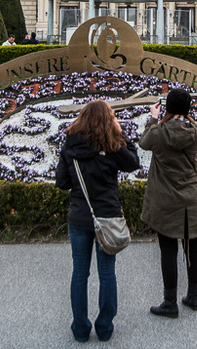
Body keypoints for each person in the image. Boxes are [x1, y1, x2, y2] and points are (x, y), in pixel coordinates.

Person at [55, 100, 141, 342]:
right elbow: (134, 162)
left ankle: (80, 329)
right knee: (107, 274)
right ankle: (104, 328)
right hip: (108, 216)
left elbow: (62, 182)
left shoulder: (70, 145)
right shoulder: (112, 145)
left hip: (80, 216)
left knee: (80, 274)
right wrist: (121, 132)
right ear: (108, 120)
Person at [139, 88, 197, 318]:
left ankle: (170, 303)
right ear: (188, 109)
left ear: (166, 107)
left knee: (168, 249)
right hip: (192, 198)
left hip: (166, 200)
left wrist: (153, 118)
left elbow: (143, 143)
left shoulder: (158, 133)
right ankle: (193, 297)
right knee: (193, 248)